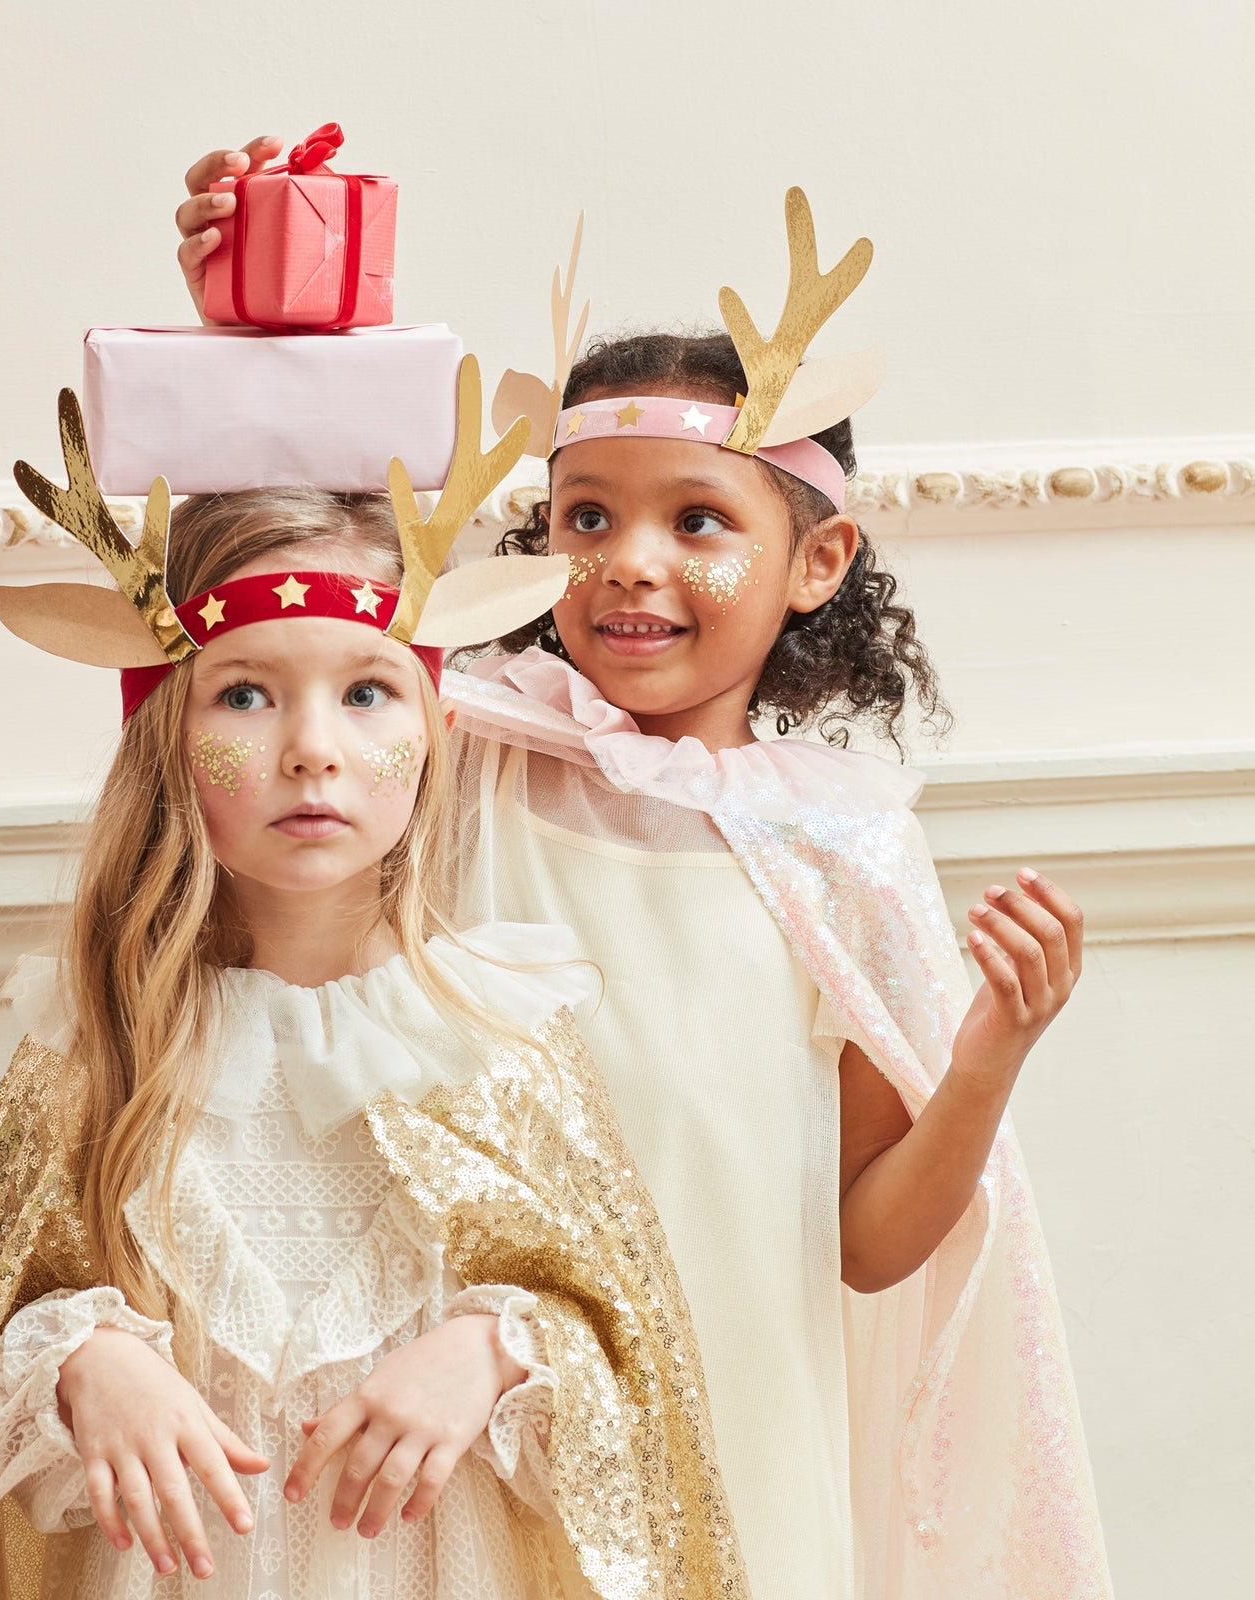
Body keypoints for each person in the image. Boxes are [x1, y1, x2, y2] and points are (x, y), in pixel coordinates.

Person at [175, 146, 1112, 1600]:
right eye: (587, 515)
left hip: (734, 1419)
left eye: (699, 520)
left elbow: (866, 1246)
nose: (626, 562)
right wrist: (254, 332)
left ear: (817, 559)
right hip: (464, 1420)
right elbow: (260, 604)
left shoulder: (839, 851)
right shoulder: (455, 753)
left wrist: (988, 1058)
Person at [0, 372, 749, 1599]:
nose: (313, 747)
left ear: (433, 733)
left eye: (365, 692)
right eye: (245, 693)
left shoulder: (497, 1045)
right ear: (165, 735)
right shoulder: (99, 1050)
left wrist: (498, 1350)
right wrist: (82, 1358)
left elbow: (636, 1381)